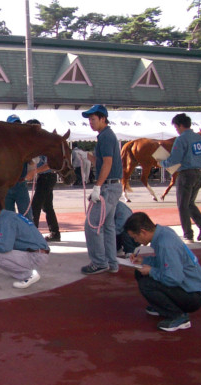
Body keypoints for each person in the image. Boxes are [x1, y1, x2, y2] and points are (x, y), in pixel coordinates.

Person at [124, 212, 201, 332]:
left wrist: (151, 271)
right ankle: (162, 306)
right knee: (140, 272)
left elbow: (174, 278)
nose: (136, 241)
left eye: (135, 237)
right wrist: (143, 260)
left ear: (143, 232)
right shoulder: (163, 233)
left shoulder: (165, 245)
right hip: (192, 288)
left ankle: (179, 317)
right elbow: (163, 261)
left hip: (193, 295)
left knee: (146, 284)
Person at [80, 104, 123, 275]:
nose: (90, 122)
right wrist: (87, 156)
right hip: (113, 185)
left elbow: (107, 162)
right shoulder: (107, 136)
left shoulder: (105, 136)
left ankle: (99, 262)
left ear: (103, 119)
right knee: (107, 226)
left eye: (93, 119)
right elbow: (103, 160)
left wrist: (97, 186)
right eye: (89, 120)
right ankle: (111, 262)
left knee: (92, 225)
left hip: (107, 187)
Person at [161, 113, 201, 243]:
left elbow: (174, 160)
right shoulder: (200, 139)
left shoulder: (181, 139)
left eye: (176, 127)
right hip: (199, 173)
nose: (176, 130)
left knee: (182, 205)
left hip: (186, 174)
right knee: (189, 203)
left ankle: (188, 234)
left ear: (180, 125)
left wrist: (162, 162)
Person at [0, 197, 49, 289]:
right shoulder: (9, 215)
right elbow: (7, 242)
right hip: (40, 253)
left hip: (36, 256)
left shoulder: (5, 221)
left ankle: (28, 275)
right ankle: (25, 272)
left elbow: (5, 247)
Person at [3, 114, 33, 221]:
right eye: (13, 124)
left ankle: (28, 237)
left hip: (21, 184)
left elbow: (32, 161)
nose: (16, 127)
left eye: (18, 124)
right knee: (8, 217)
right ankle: (11, 237)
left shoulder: (25, 142)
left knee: (26, 216)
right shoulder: (2, 143)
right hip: (6, 185)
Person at [29, 153, 61, 242]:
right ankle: (55, 233)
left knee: (36, 205)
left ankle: (33, 234)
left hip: (46, 177)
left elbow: (49, 165)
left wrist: (35, 171)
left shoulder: (46, 149)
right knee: (47, 207)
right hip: (46, 177)